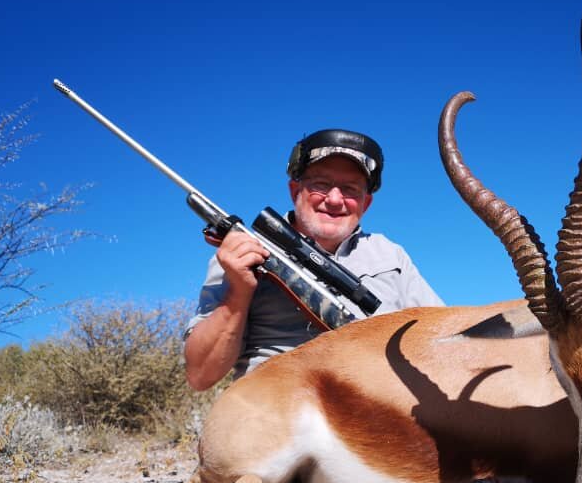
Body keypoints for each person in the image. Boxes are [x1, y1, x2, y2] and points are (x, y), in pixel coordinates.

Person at [183, 128, 444, 390]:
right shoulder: (243, 251)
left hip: (379, 407)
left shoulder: (390, 255)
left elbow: (443, 337)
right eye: (320, 184)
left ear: (366, 204)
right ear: (295, 190)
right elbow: (201, 375)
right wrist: (238, 293)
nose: (333, 199)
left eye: (350, 189)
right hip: (275, 409)